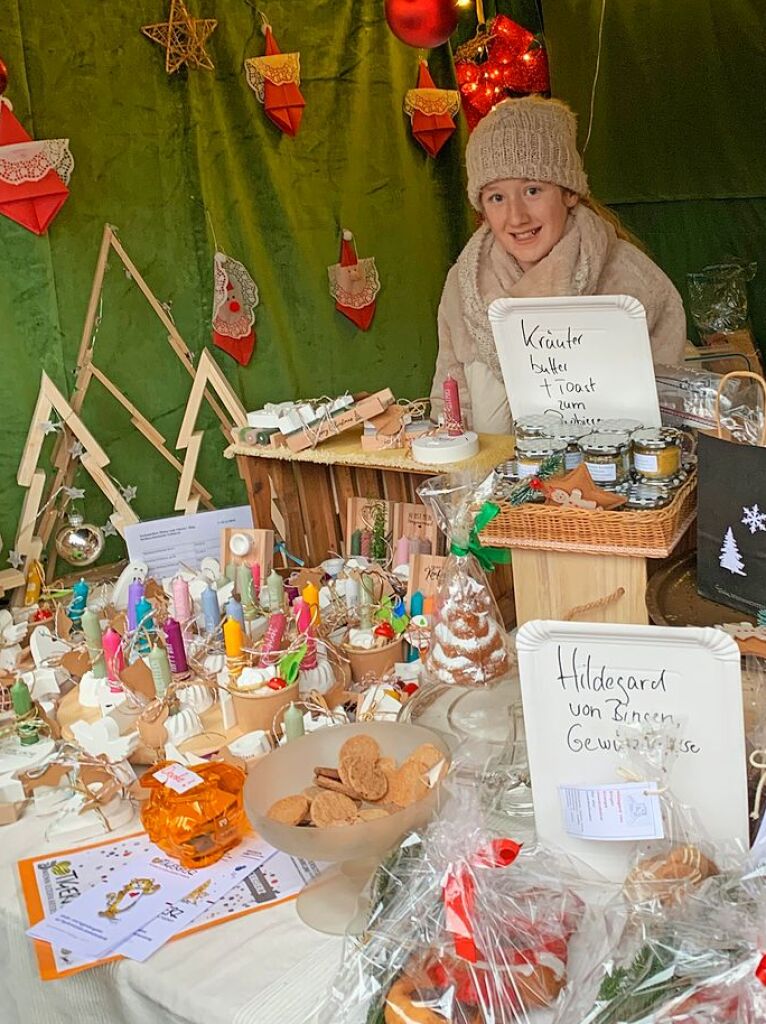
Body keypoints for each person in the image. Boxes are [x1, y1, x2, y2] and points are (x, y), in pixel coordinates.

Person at [430, 96, 687, 434]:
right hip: (492, 480)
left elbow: (666, 416)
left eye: (532, 190)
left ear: (569, 193)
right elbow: (450, 407)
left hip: (603, 480)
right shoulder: (465, 285)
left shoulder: (633, 282)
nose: (516, 216)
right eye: (497, 197)